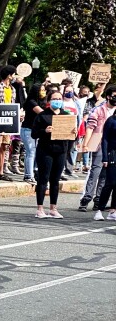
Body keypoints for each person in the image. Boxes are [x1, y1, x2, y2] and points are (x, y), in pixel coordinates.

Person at [31, 90, 73, 219]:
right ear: (49, 101)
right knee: (43, 179)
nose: (57, 101)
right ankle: (40, 208)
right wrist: (45, 130)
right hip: (45, 150)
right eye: (54, 98)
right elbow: (34, 134)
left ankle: (53, 208)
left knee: (55, 180)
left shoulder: (66, 115)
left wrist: (73, 132)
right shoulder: (42, 116)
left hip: (61, 150)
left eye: (59, 98)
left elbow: (71, 137)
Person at [79, 85, 116, 211]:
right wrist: (86, 144)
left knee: (106, 175)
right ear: (108, 96)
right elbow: (90, 127)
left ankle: (99, 200)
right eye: (114, 96)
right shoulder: (99, 110)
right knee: (95, 171)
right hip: (99, 143)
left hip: (112, 147)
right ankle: (86, 198)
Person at [21, 83, 46, 185]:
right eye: (41, 90)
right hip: (28, 130)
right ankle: (28, 176)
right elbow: (42, 113)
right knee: (31, 152)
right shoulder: (32, 102)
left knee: (32, 152)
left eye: (44, 90)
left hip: (34, 131)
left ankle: (29, 173)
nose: (43, 92)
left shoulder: (41, 101)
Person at [95, 111, 116, 221]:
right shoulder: (111, 120)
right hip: (112, 153)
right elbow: (105, 139)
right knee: (110, 183)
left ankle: (113, 210)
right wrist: (105, 157)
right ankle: (99, 209)